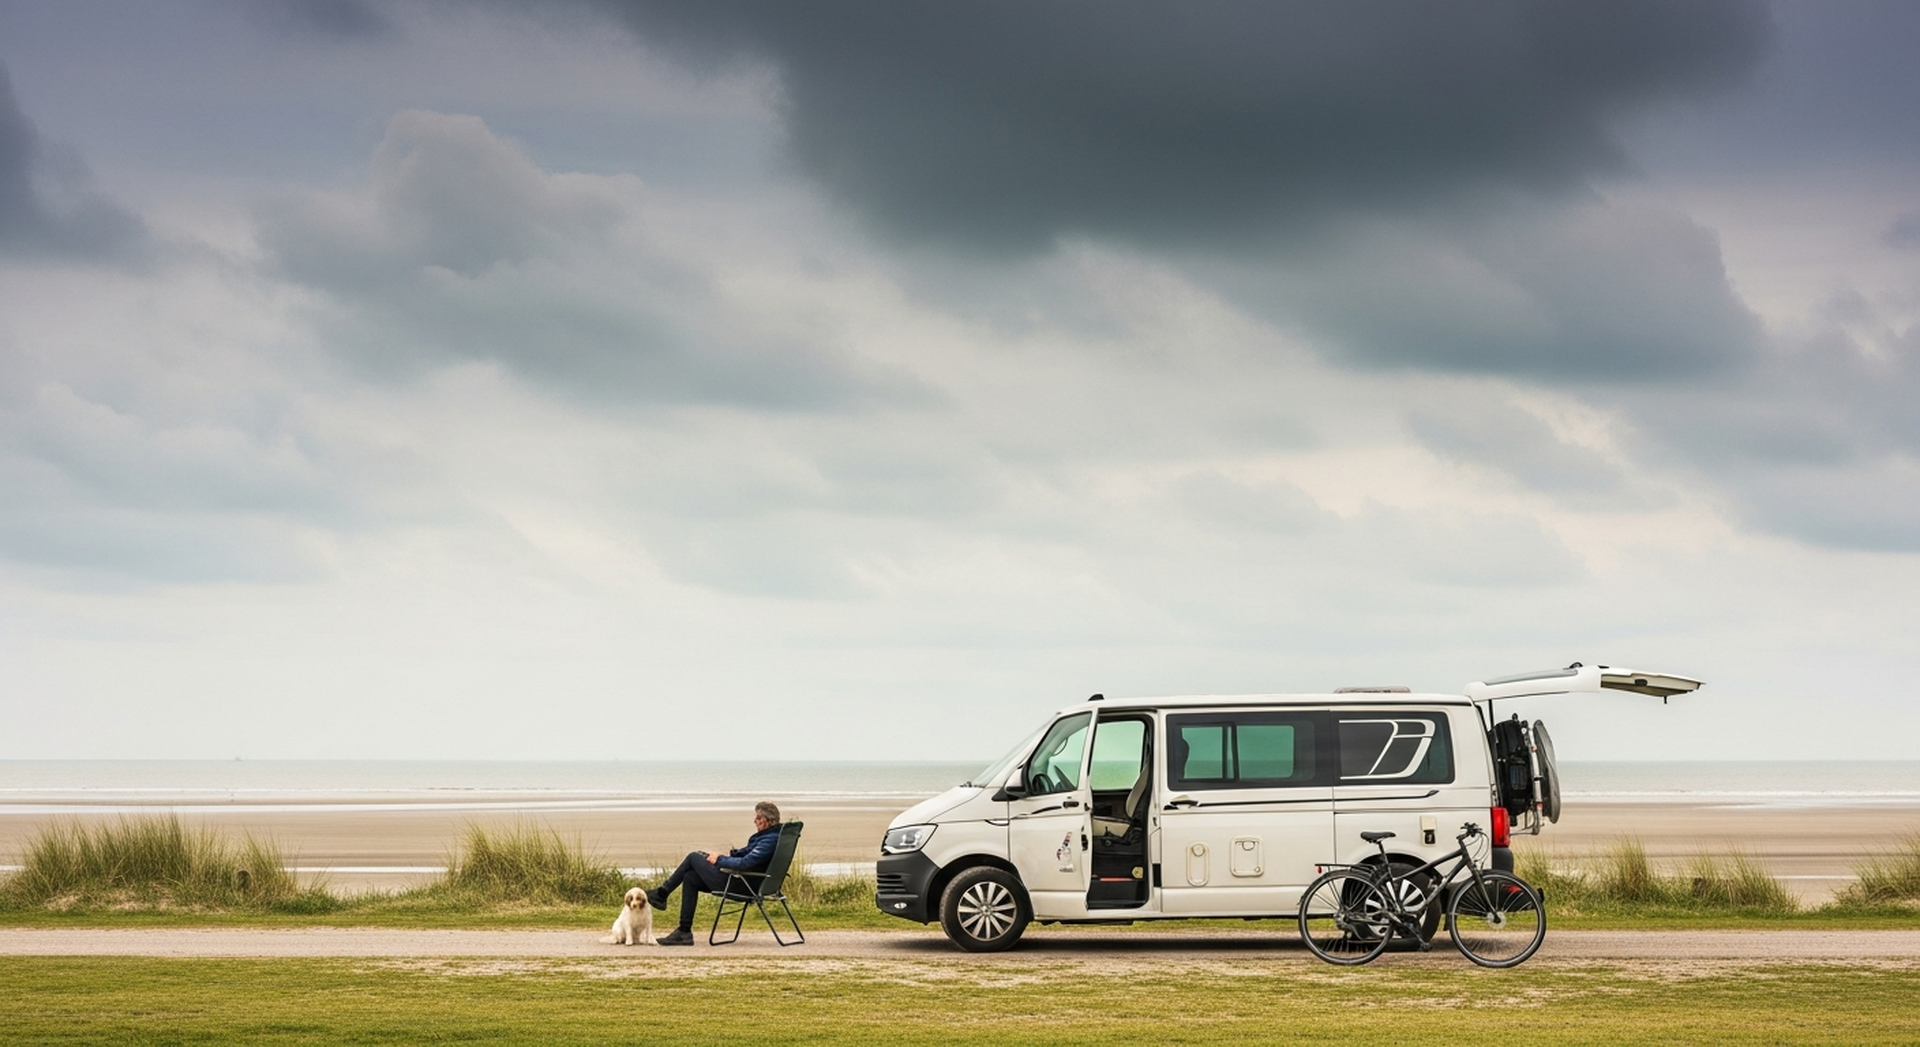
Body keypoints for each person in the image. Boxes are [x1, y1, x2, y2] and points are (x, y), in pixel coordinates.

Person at [646, 801, 783, 945]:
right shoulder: (771, 837)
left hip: (743, 884)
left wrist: (720, 860)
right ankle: (684, 932)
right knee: (690, 877)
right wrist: (721, 855)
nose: (755, 821)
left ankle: (661, 894)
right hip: (746, 881)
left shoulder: (769, 841)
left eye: (758, 818)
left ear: (768, 821)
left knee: (693, 857)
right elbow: (746, 855)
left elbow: (745, 863)